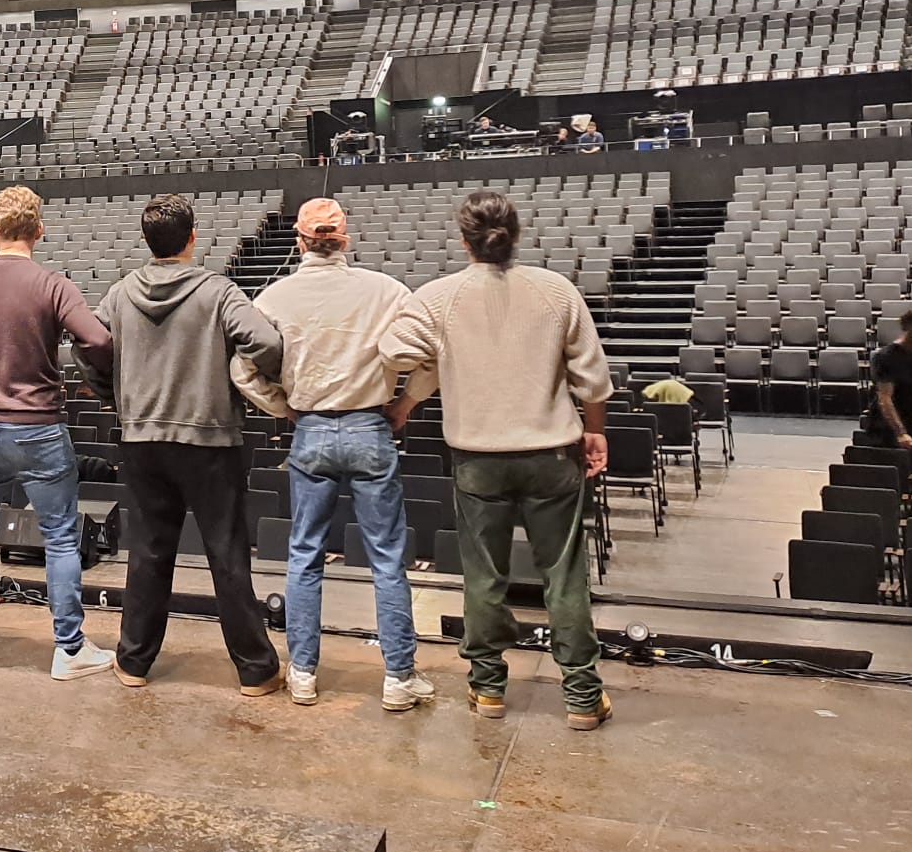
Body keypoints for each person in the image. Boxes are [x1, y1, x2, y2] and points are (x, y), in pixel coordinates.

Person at [379, 190, 615, 731]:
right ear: (515, 234)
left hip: (478, 461)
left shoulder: (440, 297)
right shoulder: (556, 290)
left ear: (465, 241)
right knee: (564, 575)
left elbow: (393, 351)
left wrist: (439, 360)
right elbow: (594, 380)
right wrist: (596, 432)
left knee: (484, 576)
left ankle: (487, 688)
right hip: (552, 455)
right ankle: (582, 695)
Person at [231, 198, 436, 710]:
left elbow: (242, 371)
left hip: (312, 430)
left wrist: (283, 408)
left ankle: (302, 674)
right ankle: (399, 677)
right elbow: (431, 354)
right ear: (345, 240)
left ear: (299, 242)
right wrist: (406, 403)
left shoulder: (274, 297)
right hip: (370, 427)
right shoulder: (388, 292)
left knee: (304, 554)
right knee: (387, 558)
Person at [94, 194, 285, 695]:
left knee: (148, 553)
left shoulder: (119, 294)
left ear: (146, 241)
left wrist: (116, 397)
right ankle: (256, 671)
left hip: (142, 440)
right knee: (226, 554)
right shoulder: (218, 291)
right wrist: (258, 381)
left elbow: (90, 347)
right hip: (209, 442)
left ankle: (133, 663)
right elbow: (267, 343)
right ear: (193, 237)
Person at [0, 185, 115, 679]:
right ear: (39, 230)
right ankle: (69, 650)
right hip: (38, 429)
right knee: (60, 538)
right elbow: (97, 338)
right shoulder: (52, 284)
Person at [858, 309, 912, 454]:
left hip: (909, 420)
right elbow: (885, 398)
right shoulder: (886, 356)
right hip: (885, 426)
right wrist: (900, 432)